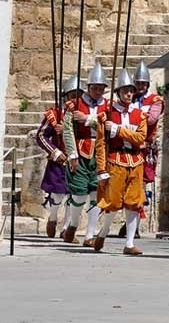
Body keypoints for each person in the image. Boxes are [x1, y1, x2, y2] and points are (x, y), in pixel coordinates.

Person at [93, 69, 147, 255]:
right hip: (115, 160)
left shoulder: (139, 115)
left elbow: (140, 138)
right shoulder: (106, 114)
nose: (129, 94)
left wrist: (118, 130)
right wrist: (101, 169)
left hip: (135, 160)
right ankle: (104, 231)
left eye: (131, 91)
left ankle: (129, 243)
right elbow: (100, 144)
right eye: (125, 91)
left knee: (134, 203)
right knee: (113, 202)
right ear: (118, 93)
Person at [62, 62, 109, 246]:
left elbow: (108, 126)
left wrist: (88, 120)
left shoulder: (108, 106)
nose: (98, 91)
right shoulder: (75, 104)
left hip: (100, 152)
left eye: (101, 88)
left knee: (96, 194)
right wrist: (72, 154)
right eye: (94, 88)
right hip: (80, 152)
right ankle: (73, 226)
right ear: (88, 88)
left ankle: (89, 235)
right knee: (80, 193)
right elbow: (67, 129)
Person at [117, 60, 165, 239]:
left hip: (145, 147)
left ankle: (134, 226)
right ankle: (128, 223)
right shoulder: (128, 99)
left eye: (144, 83)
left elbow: (151, 119)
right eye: (138, 83)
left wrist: (132, 117)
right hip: (127, 146)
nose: (141, 86)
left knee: (141, 187)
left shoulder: (155, 100)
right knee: (124, 186)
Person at [35, 75, 83, 239]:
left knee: (74, 195)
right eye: (72, 95)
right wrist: (55, 152)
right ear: (66, 96)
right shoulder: (54, 115)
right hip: (59, 160)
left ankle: (66, 228)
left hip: (77, 160)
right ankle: (53, 217)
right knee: (58, 195)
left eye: (78, 95)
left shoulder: (83, 116)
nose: (75, 99)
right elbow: (41, 136)